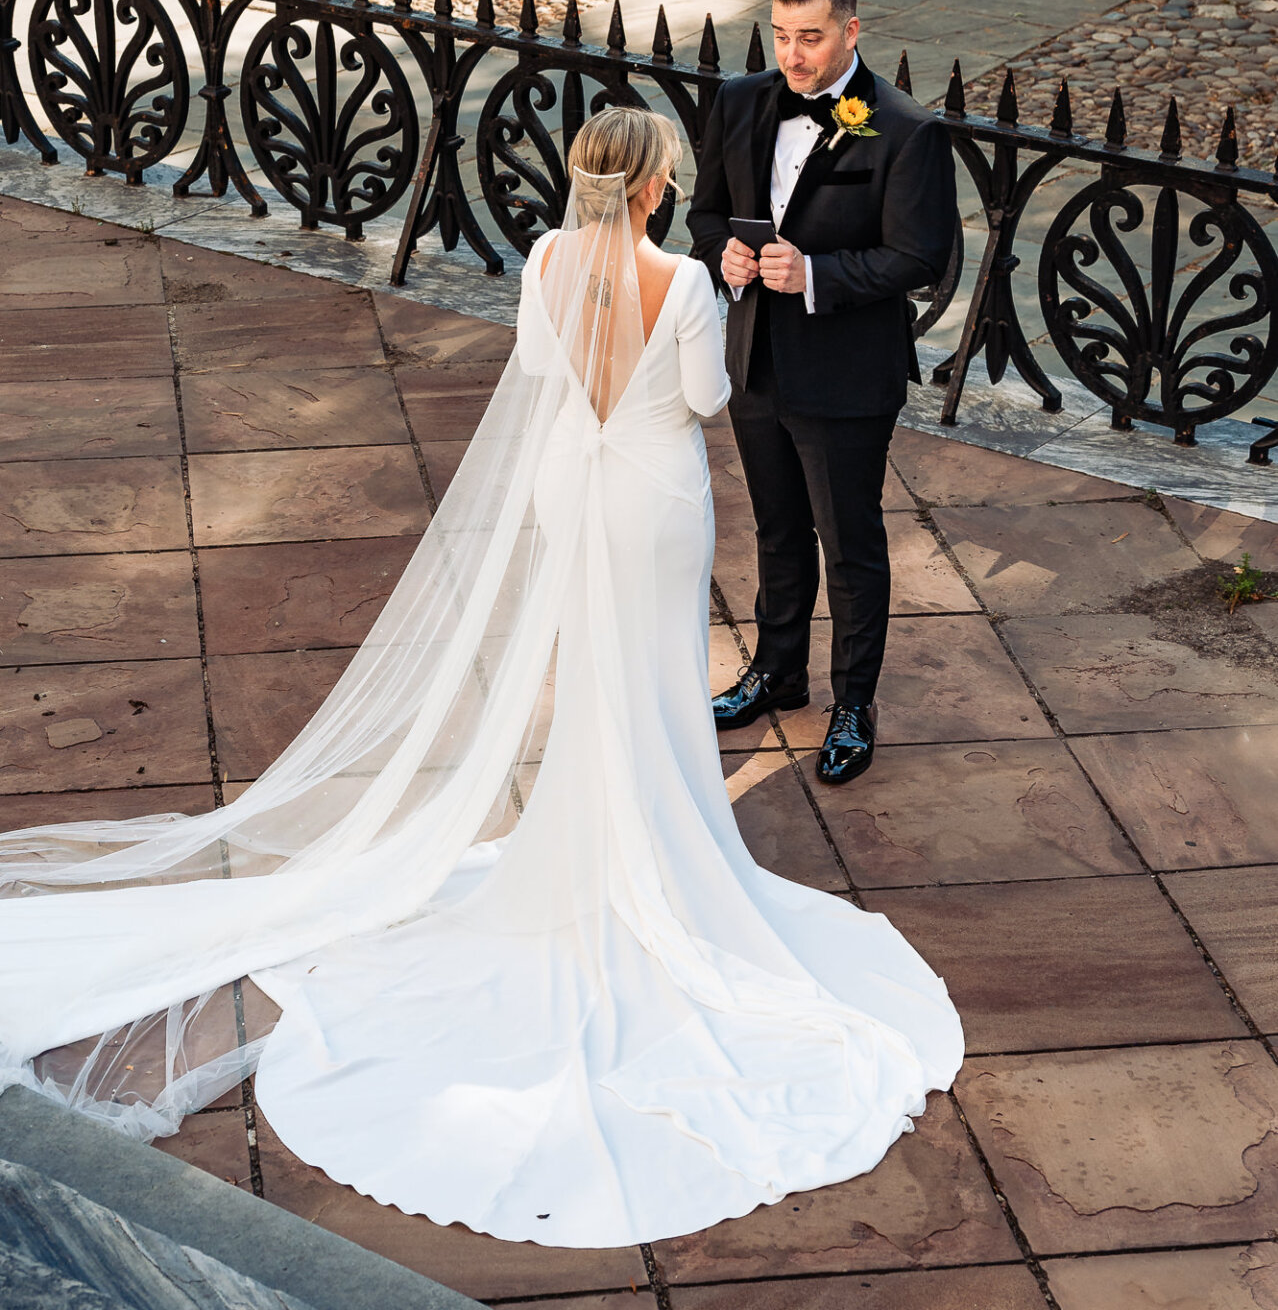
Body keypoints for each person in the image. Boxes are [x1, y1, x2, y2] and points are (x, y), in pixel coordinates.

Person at [0, 107, 961, 1248]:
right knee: (650, 674)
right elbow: (706, 399)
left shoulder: (549, 260)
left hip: (573, 483)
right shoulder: (688, 283)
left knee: (590, 668)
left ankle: (590, 841)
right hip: (652, 500)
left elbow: (544, 367)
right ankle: (657, 850)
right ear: (653, 190)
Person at [689, 0, 958, 785]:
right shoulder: (739, 101)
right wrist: (722, 252)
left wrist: (818, 276)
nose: (794, 56)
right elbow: (703, 210)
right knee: (775, 527)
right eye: (781, 35)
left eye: (811, 37)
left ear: (851, 29)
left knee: (850, 544)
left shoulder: (905, 129)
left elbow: (921, 256)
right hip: (757, 358)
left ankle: (852, 705)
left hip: (846, 373)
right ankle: (777, 672)